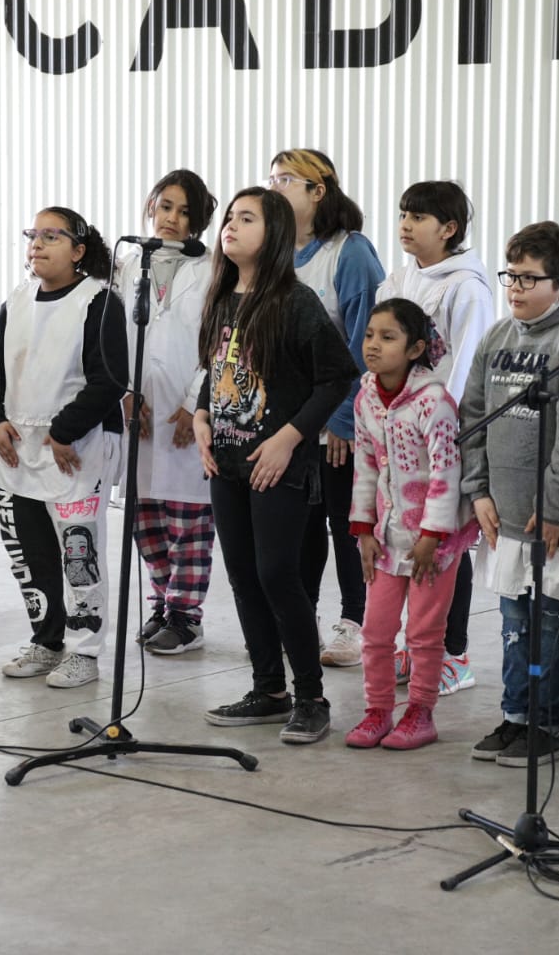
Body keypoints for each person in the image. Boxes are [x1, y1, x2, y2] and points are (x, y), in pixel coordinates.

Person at [194, 187, 358, 744]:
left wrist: (291, 438)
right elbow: (214, 371)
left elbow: (336, 376)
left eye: (246, 218)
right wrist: (199, 416)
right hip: (227, 462)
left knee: (276, 575)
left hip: (276, 464)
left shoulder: (296, 300)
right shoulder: (221, 297)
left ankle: (310, 696)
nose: (230, 227)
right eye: (229, 219)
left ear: (277, 234)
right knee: (241, 575)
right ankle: (268, 689)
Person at [461, 222, 559, 767]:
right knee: (512, 623)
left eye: (529, 278)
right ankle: (515, 716)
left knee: (552, 624)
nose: (515, 288)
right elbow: (473, 418)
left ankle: (549, 725)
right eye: (510, 275)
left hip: (554, 521)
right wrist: (478, 492)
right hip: (504, 515)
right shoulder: (498, 337)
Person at [0, 208, 127, 689]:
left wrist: (63, 432)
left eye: (51, 236)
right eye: (32, 235)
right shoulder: (17, 300)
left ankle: (85, 649)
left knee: (78, 552)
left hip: (77, 447)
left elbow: (109, 379)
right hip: (20, 449)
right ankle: (47, 639)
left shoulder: (98, 301)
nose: (37, 244)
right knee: (34, 550)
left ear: (79, 251)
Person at [267, 149, 384, 667]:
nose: (275, 187)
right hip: (286, 425)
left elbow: (367, 343)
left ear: (319, 190)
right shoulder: (270, 254)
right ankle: (303, 616)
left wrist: (342, 419)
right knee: (298, 528)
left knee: (348, 522)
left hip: (338, 420)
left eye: (287, 179)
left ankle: (355, 621)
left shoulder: (349, 251)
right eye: (271, 178)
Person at [375, 180, 493, 696]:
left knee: (444, 544)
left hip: (442, 435)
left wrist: (441, 430)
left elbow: (466, 364)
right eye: (403, 213)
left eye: (418, 217)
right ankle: (414, 643)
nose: (405, 223)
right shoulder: (396, 280)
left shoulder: (467, 287)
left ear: (448, 229)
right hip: (396, 434)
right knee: (402, 538)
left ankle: (453, 653)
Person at [344, 299, 479, 750]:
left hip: (433, 544)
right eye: (369, 336)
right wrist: (363, 527)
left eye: (388, 338)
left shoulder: (433, 401)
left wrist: (432, 537)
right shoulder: (366, 397)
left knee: (424, 633)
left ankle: (421, 712)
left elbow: (447, 472)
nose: (374, 346)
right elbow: (364, 465)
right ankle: (378, 711)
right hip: (387, 537)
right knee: (377, 630)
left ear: (417, 347)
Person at [116, 170, 218, 655]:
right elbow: (115, 336)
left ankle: (186, 616)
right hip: (139, 410)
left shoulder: (215, 269)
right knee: (148, 516)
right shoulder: (129, 263)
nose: (172, 219)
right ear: (151, 206)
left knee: (190, 518)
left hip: (186, 409)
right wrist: (125, 390)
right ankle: (162, 603)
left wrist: (194, 401)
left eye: (184, 211)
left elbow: (219, 342)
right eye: (166, 207)